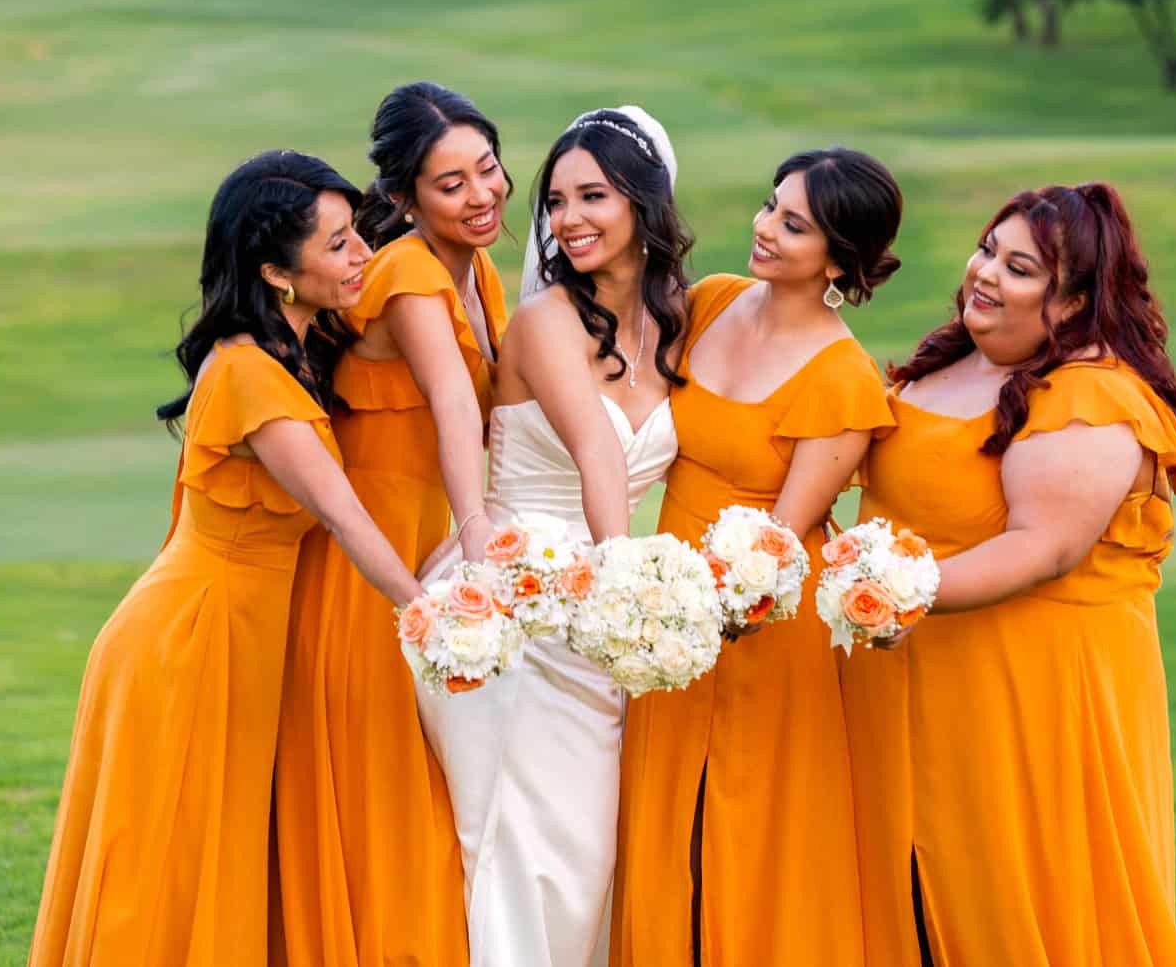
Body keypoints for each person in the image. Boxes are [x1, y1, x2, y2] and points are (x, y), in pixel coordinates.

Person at [29, 150, 432, 967]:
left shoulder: (289, 349)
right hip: (194, 638)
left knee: (219, 851)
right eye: (338, 245)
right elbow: (344, 516)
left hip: (236, 635)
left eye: (358, 235)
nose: (362, 256)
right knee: (168, 859)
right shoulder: (251, 372)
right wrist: (434, 616)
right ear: (276, 273)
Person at [840, 183, 1176, 966]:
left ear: (1074, 301)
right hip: (914, 674)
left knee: (1014, 887)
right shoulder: (953, 359)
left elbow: (1041, 545)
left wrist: (891, 589)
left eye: (1019, 267)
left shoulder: (1089, 396)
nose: (984, 273)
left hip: (1027, 689)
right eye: (986, 250)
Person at [614, 148, 901, 967]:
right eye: (771, 206)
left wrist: (699, 611)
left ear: (840, 260)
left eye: (794, 223)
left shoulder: (844, 378)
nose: (764, 227)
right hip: (667, 612)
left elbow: (782, 542)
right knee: (664, 822)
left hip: (764, 626)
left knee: (745, 829)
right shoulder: (709, 303)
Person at [417, 107, 690, 967]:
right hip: (514, 599)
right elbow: (598, 452)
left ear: (643, 204)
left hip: (599, 616)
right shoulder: (543, 320)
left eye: (593, 196)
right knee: (520, 848)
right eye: (556, 200)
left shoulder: (680, 316)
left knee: (589, 856)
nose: (568, 219)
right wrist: (629, 594)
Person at [272, 81, 511, 967]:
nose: (480, 195)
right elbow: (454, 407)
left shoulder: (475, 265)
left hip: (421, 542)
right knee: (386, 784)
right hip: (365, 561)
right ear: (404, 199)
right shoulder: (410, 270)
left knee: (430, 778)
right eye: (450, 185)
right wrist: (481, 526)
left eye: (487, 168)